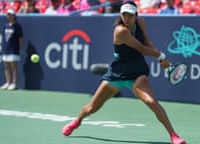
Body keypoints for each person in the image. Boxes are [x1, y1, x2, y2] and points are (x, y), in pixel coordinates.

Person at [62, 1, 186, 144]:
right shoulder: (120, 31)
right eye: (124, 15)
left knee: (152, 102)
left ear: (136, 15)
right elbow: (142, 49)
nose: (127, 18)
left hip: (137, 72)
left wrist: (161, 59)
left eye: (130, 15)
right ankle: (77, 121)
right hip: (117, 73)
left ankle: (173, 135)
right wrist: (162, 57)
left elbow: (148, 43)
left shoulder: (141, 23)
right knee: (91, 108)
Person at [0, 9, 23, 90]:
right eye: (8, 14)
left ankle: (14, 83)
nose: (8, 16)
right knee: (6, 67)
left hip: (14, 49)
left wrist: (18, 48)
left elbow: (20, 39)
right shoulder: (5, 26)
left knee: (14, 67)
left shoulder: (17, 26)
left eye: (10, 14)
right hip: (6, 49)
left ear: (14, 16)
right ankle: (7, 82)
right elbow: (3, 38)